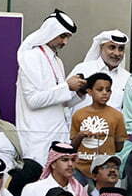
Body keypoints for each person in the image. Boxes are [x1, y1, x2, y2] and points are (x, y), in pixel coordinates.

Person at [15, 10, 83, 163]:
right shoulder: (31, 57)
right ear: (51, 31)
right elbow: (33, 101)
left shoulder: (57, 61)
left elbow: (60, 102)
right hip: (37, 139)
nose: (65, 42)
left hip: (58, 136)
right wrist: (67, 87)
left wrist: (78, 92)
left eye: (68, 38)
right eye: (63, 36)